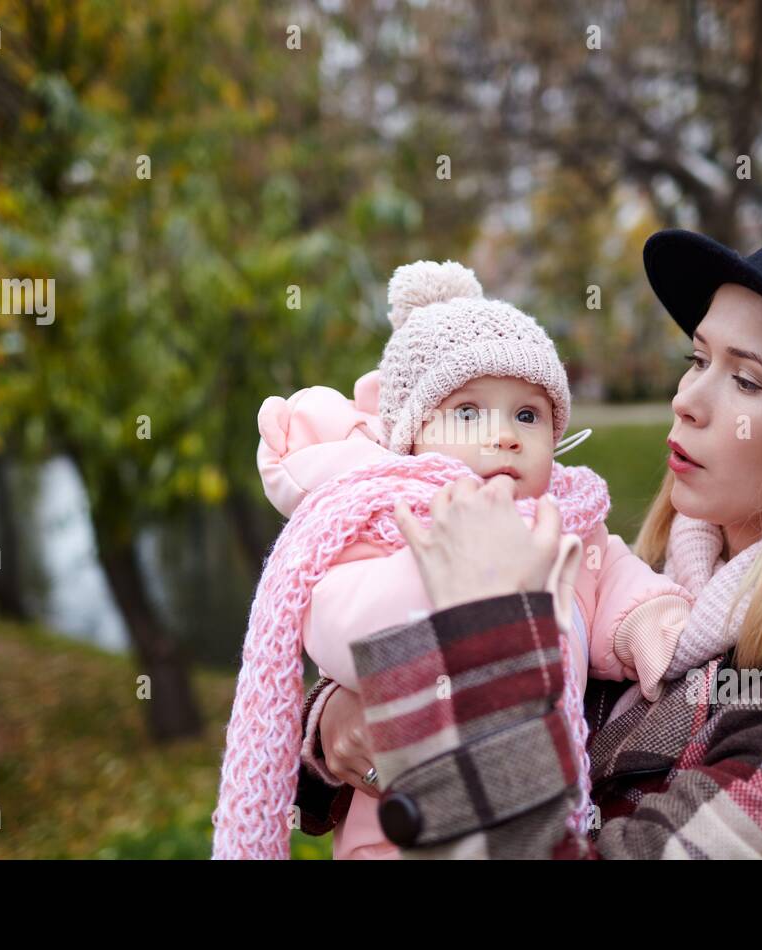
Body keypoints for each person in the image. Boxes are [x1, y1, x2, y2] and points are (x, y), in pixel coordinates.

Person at [292, 205, 762, 859]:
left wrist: (489, 631)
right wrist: (338, 720)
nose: (687, 400)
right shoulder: (654, 577)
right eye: (697, 359)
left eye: (745, 380)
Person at [213, 261, 701, 860]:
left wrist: (654, 624)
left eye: (528, 415)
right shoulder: (390, 526)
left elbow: (620, 584)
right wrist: (448, 577)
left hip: (529, 810)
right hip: (397, 833)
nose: (505, 435)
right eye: (468, 413)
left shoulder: (572, 524)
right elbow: (338, 624)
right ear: (412, 437)